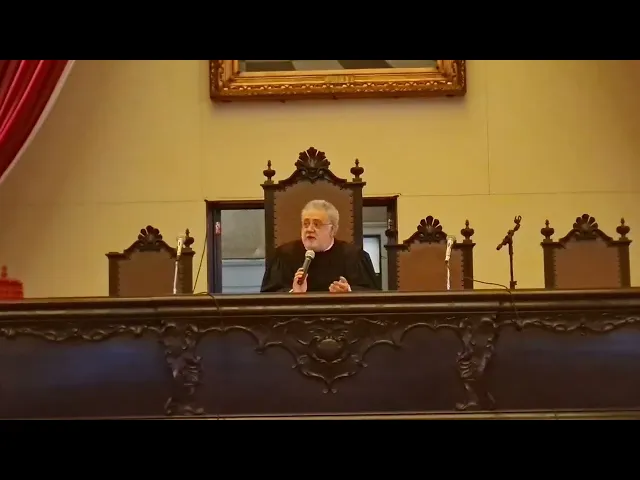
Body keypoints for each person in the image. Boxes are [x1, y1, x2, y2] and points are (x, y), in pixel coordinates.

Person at [260, 199, 381, 293]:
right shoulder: (284, 255)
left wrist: (348, 292)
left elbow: (373, 296)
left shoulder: (354, 256)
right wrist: (294, 293)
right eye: (306, 224)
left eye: (317, 224)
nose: (309, 229)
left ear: (332, 230)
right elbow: (268, 297)